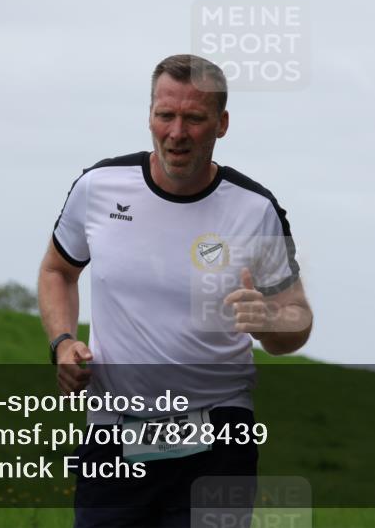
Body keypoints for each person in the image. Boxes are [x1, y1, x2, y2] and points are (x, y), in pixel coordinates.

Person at [37, 54, 313, 527]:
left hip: (218, 437)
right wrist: (63, 343)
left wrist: (271, 323)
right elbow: (57, 271)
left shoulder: (255, 209)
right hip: (112, 435)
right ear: (150, 115)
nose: (177, 133)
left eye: (194, 118)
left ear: (222, 124)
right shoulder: (98, 187)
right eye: (166, 115)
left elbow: (297, 319)